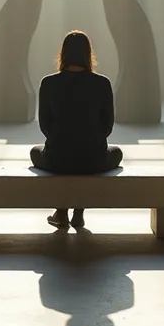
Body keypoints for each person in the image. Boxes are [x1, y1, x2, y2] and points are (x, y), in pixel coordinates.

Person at [30, 30, 123, 229]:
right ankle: (78, 212)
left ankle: (61, 212)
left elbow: (45, 125)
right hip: (92, 159)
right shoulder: (102, 83)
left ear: (63, 54)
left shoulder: (48, 83)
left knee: (36, 152)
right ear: (88, 54)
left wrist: (61, 138)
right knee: (116, 153)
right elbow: (107, 126)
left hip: (58, 158)